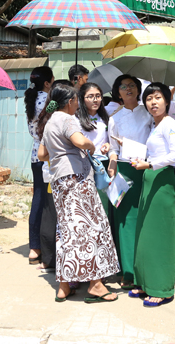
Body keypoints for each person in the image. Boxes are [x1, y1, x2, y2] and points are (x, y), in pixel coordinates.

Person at [37, 84, 119, 303]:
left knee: (66, 230)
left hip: (59, 181)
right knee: (91, 228)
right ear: (69, 102)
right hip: (77, 179)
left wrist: (60, 154)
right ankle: (96, 284)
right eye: (76, 100)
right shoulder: (66, 118)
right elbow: (80, 141)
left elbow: (42, 153)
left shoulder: (49, 121)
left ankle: (64, 286)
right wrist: (90, 146)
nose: (78, 104)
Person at [128, 83, 175, 306]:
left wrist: (150, 164)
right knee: (146, 234)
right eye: (149, 98)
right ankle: (146, 282)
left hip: (162, 181)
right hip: (150, 178)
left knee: (160, 235)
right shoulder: (154, 124)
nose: (153, 102)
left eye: (158, 97)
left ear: (167, 100)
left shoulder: (169, 123)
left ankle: (162, 288)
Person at [107, 75, 152, 289]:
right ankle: (127, 271)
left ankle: (145, 269)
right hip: (125, 171)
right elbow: (114, 150)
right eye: (123, 87)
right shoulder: (114, 118)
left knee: (145, 219)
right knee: (124, 221)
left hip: (146, 168)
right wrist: (112, 168)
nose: (128, 89)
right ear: (118, 92)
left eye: (132, 85)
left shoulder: (149, 113)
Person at [24, 66, 54, 265]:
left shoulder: (30, 101)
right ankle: (40, 246)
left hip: (36, 154)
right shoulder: (50, 103)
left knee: (38, 198)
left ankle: (35, 246)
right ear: (47, 83)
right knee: (46, 202)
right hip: (49, 155)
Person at [77, 82, 112, 214]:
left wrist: (108, 144)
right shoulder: (76, 118)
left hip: (102, 164)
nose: (95, 99)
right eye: (90, 96)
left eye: (98, 96)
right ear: (82, 98)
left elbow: (109, 138)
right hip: (84, 165)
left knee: (103, 204)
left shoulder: (105, 117)